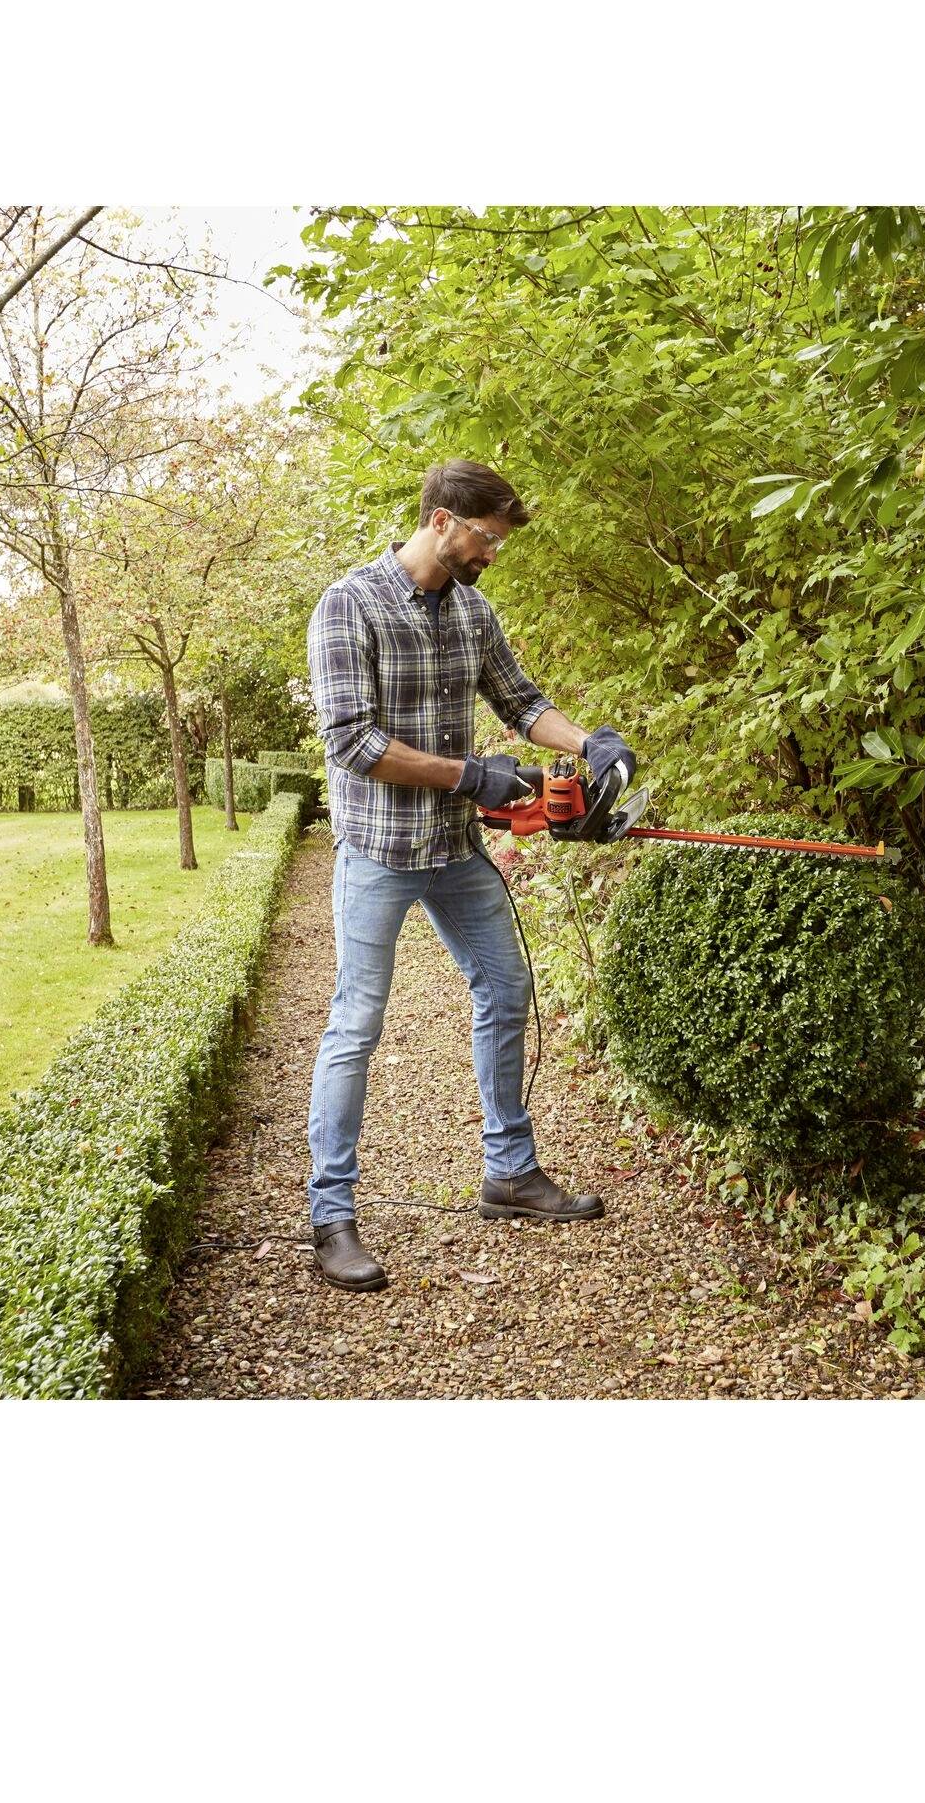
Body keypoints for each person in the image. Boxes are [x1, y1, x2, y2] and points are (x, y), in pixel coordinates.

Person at [303, 459, 635, 1293]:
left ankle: (510, 1173)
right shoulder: (350, 605)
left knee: (505, 988)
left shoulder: (474, 611)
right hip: (379, 852)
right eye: (487, 538)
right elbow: (355, 745)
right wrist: (467, 775)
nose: (493, 554)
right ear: (444, 521)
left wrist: (587, 742)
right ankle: (331, 1215)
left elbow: (521, 702)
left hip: (454, 851)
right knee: (357, 1025)